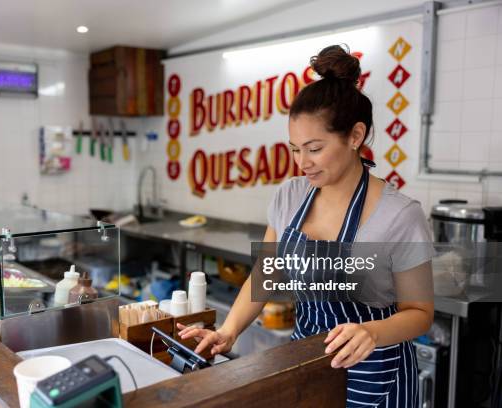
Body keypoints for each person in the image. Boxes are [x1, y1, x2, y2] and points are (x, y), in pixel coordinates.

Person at [178, 44, 435, 407]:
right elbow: (267, 273)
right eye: (295, 149)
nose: (302, 162)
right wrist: (229, 330)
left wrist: (371, 331)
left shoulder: (400, 215)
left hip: (377, 375)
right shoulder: (289, 196)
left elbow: (421, 314)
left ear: (355, 136)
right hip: (306, 363)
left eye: (314, 149)